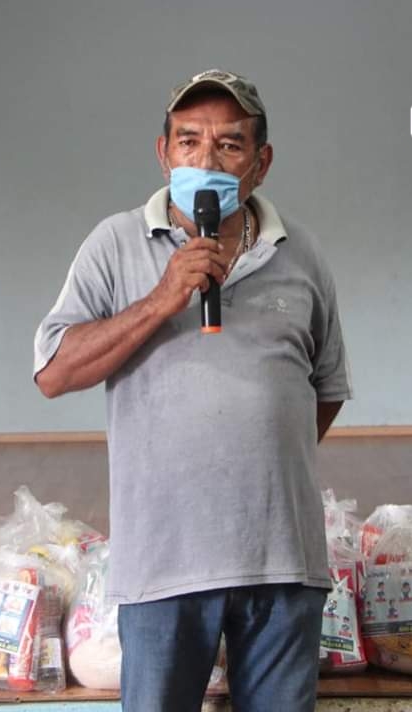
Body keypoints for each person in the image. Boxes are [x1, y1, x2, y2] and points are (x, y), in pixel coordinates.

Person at [34, 68, 352, 711]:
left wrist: (256, 457)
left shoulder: (301, 253)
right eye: (188, 141)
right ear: (164, 154)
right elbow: (54, 372)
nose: (206, 159)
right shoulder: (114, 244)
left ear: (260, 163)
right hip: (163, 564)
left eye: (229, 144)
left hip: (283, 561)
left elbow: (326, 387)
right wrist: (162, 299)